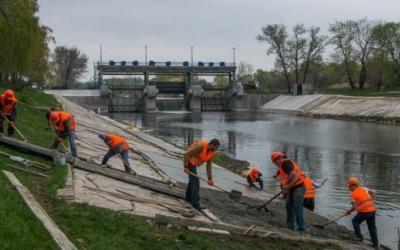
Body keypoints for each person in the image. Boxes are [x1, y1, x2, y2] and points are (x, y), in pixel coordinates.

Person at [271, 151, 306, 231]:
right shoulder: (282, 165)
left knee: (297, 207)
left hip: (299, 188)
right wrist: (285, 188)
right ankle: (290, 226)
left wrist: (286, 184)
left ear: (278, 159)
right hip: (292, 188)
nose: (275, 164)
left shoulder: (285, 163)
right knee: (288, 206)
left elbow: (292, 174)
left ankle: (301, 229)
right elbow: (284, 176)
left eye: (274, 162)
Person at [183, 138, 220, 210]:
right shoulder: (201, 146)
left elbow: (208, 165)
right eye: (215, 148)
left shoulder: (212, 152)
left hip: (194, 163)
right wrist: (186, 166)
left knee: (192, 181)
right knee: (195, 182)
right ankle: (196, 203)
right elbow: (187, 154)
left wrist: (210, 178)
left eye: (217, 148)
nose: (216, 150)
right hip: (189, 161)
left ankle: (188, 199)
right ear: (211, 144)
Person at [346, 177, 379, 248]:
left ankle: (359, 237)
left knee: (355, 222)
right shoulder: (364, 188)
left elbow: (354, 207)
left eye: (349, 186)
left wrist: (349, 211)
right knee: (372, 227)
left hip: (365, 211)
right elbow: (374, 192)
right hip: (372, 209)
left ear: (353, 186)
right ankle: (375, 244)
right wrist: (371, 198)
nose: (349, 188)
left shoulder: (353, 194)